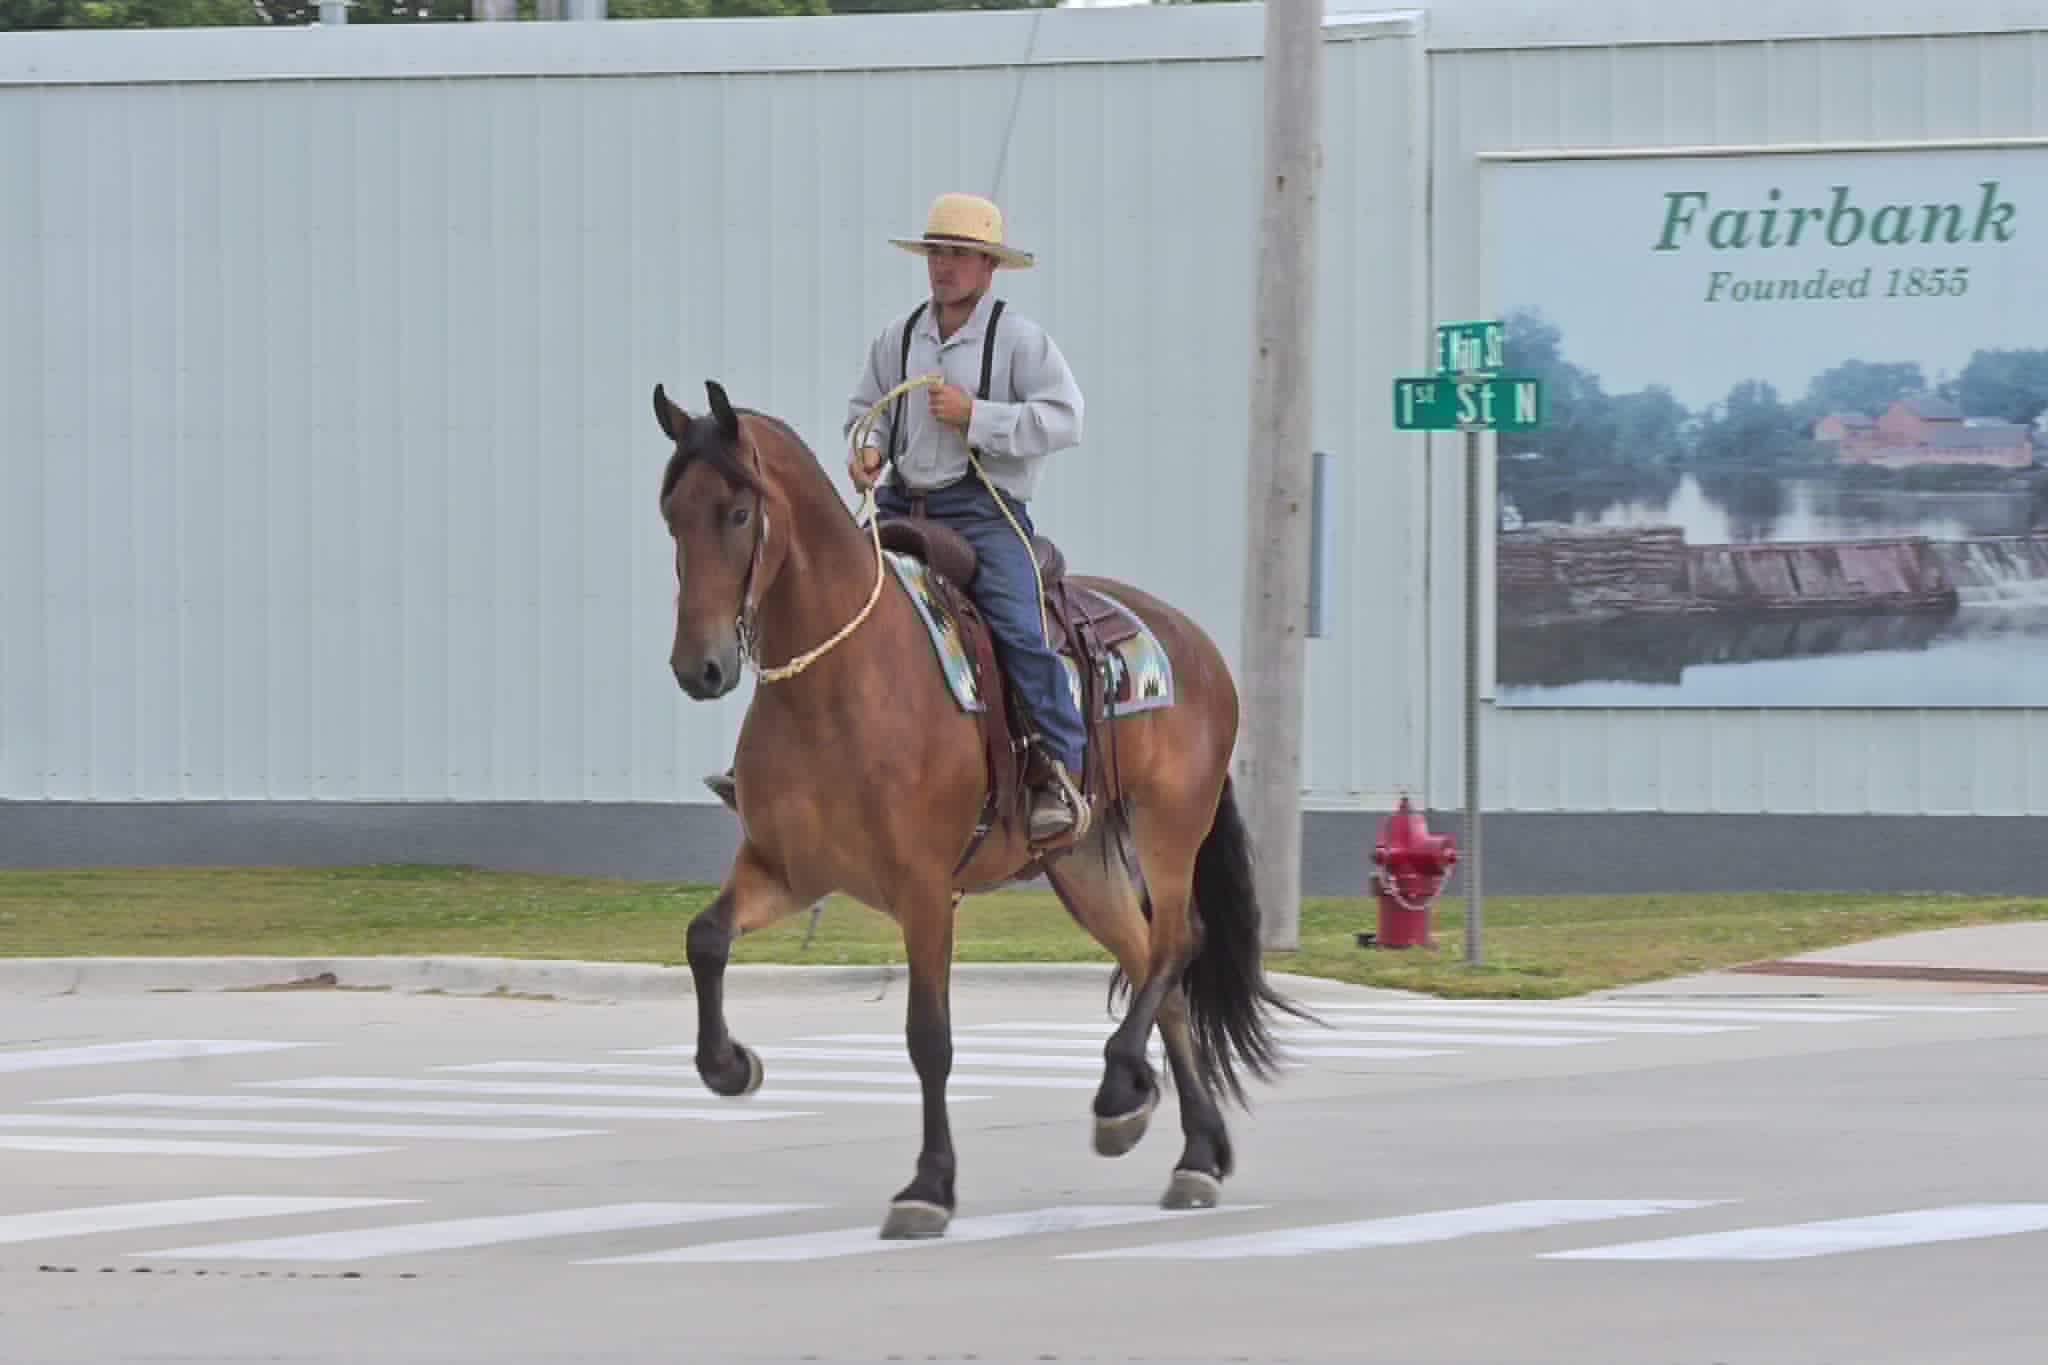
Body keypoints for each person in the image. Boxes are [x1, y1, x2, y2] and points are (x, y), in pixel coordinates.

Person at [704, 191, 1091, 845]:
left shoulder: (1020, 341)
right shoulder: (901, 336)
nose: (945, 266)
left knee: (1020, 628)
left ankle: (1059, 772)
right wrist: (870, 449)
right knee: (815, 603)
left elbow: (1066, 418)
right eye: (938, 252)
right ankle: (773, 763)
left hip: (983, 511)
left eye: (960, 254)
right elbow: (868, 407)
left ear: (989, 267)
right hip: (899, 502)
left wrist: (979, 418)